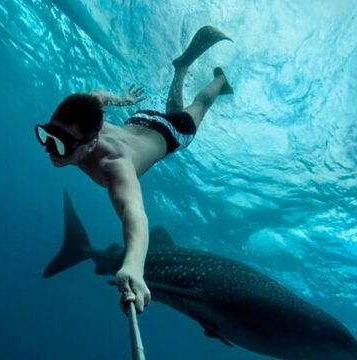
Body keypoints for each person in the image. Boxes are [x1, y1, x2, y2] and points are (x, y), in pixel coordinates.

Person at [35, 25, 233, 314]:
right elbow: (99, 95)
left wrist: (133, 267)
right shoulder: (83, 114)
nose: (50, 149)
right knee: (173, 107)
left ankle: (220, 80)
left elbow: (134, 214)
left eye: (62, 144)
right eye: (46, 135)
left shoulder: (114, 166)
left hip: (172, 132)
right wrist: (123, 99)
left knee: (198, 106)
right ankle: (180, 70)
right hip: (142, 118)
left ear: (91, 143)